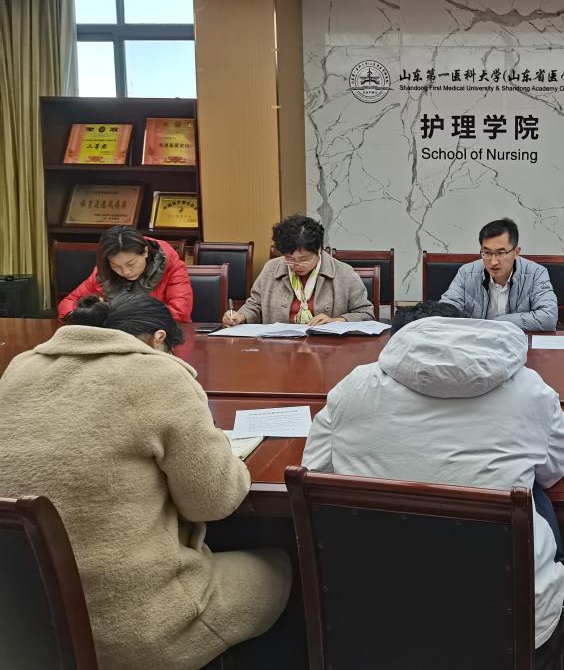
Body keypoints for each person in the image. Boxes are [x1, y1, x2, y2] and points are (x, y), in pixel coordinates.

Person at [0, 294, 291, 670]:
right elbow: (212, 502)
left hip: (21, 628)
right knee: (279, 567)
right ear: (158, 339)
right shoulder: (159, 374)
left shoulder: (19, 369)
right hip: (133, 632)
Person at [302, 301, 564, 667]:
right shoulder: (530, 390)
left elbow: (315, 473)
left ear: (395, 339)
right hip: (507, 629)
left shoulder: (353, 388)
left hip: (369, 621)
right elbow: (554, 468)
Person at [222, 214, 373, 325]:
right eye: (289, 258)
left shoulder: (344, 273)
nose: (297, 265)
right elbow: (255, 305)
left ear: (318, 250)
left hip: (328, 349)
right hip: (279, 349)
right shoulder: (271, 268)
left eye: (304, 259)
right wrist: (240, 316)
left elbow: (366, 313)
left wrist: (337, 320)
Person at [439, 217, 558, 331]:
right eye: (487, 253)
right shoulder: (466, 273)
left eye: (501, 253)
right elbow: (444, 313)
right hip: (476, 341)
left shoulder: (536, 273)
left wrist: (496, 323)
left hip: (517, 341)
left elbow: (548, 318)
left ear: (516, 252)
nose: (493, 262)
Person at [57, 225, 192, 322]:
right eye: (116, 266)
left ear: (145, 252)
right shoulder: (103, 273)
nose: (125, 271)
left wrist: (114, 317)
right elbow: (69, 302)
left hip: (159, 338)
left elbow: (179, 313)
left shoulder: (173, 268)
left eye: (131, 263)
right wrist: (85, 315)